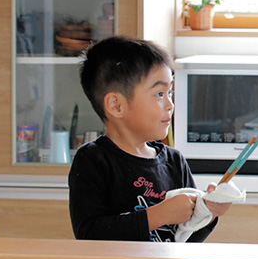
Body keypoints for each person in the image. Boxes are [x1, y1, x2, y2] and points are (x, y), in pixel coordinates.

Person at [69, 36, 230, 241]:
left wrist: (207, 212)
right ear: (116, 105)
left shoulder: (174, 161)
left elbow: (185, 239)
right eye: (159, 94)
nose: (170, 104)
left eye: (169, 92)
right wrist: (158, 215)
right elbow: (89, 234)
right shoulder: (93, 159)